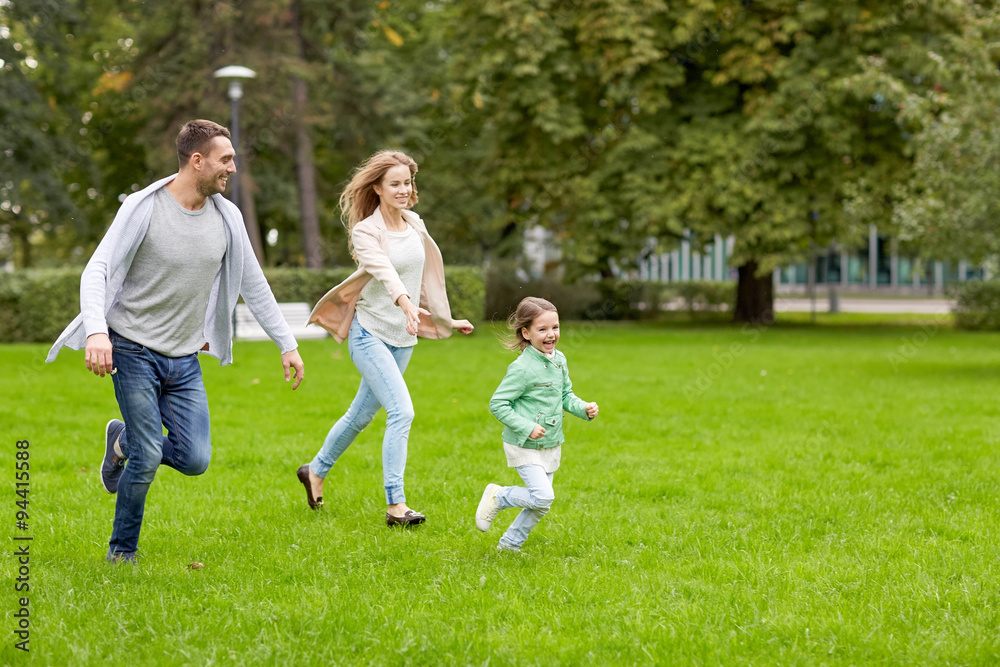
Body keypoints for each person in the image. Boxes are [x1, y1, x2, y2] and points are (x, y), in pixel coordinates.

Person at [46, 119, 305, 564]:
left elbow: (253, 283)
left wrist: (287, 342)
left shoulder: (227, 216)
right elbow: (98, 269)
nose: (233, 168)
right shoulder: (144, 208)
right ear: (196, 160)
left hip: (185, 357)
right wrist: (95, 330)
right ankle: (121, 552)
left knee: (194, 457)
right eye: (226, 160)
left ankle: (120, 442)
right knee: (149, 455)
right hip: (132, 349)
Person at [300, 150, 474, 526]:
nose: (402, 189)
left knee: (360, 415)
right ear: (377, 188)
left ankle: (314, 470)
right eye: (394, 183)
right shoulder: (366, 231)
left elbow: (427, 278)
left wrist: (445, 317)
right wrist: (406, 304)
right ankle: (397, 506)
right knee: (402, 412)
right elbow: (384, 272)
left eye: (407, 183)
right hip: (369, 334)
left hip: (402, 338)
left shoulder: (415, 224)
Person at [475, 297, 598, 552]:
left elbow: (565, 395)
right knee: (543, 496)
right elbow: (498, 404)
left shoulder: (559, 360)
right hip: (524, 443)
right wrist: (526, 426)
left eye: (555, 327)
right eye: (542, 329)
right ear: (526, 333)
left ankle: (509, 546)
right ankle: (500, 496)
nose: (551, 334)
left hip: (551, 442)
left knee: (540, 503)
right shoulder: (522, 368)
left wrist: (583, 408)